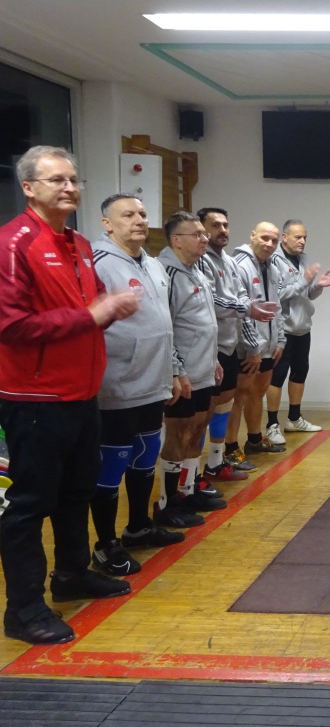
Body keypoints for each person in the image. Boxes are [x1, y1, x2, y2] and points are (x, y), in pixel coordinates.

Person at [0, 146, 140, 645]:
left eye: (74, 180)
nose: (69, 188)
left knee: (76, 491)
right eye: (56, 179)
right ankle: (23, 610)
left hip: (82, 393)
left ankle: (72, 574)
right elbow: (11, 326)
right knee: (30, 504)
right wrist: (91, 315)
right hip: (35, 398)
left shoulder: (78, 243)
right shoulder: (12, 243)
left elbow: (87, 311)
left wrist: (110, 309)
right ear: (29, 188)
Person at [90, 194, 185, 577]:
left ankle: (139, 526)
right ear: (107, 224)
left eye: (143, 214)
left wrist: (174, 370)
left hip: (154, 382)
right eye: (127, 214)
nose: (139, 220)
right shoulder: (97, 262)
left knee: (146, 458)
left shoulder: (153, 263)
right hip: (117, 386)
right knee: (112, 466)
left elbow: (165, 324)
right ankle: (105, 545)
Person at [155, 211, 225, 529]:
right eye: (196, 234)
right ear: (176, 240)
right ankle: (167, 502)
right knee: (178, 434)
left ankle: (188, 488)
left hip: (204, 367)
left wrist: (215, 359)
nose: (204, 239)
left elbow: (205, 323)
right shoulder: (167, 273)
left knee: (197, 429)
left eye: (203, 233)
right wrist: (175, 370)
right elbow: (165, 327)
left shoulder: (196, 269)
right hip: (183, 372)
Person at [197, 207, 275, 478]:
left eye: (225, 225)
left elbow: (243, 299)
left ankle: (216, 463)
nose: (222, 230)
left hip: (229, 345)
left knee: (224, 406)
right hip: (208, 349)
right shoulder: (200, 261)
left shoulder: (228, 261)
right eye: (215, 225)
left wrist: (254, 343)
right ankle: (192, 476)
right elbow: (213, 301)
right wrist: (245, 309)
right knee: (203, 414)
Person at [265, 219, 330, 442]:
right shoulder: (273, 260)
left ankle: (294, 419)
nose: (302, 241)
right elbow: (276, 295)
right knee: (277, 377)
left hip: (302, 327)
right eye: (298, 237)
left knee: (300, 372)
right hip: (282, 329)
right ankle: (272, 424)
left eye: (305, 237)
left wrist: (317, 286)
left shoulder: (303, 259)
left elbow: (306, 294)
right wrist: (304, 282)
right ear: (284, 237)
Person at [225, 222, 286, 458]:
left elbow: (276, 306)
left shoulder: (272, 267)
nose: (269, 244)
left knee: (257, 393)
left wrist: (280, 340)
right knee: (238, 397)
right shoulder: (239, 265)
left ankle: (254, 439)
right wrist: (253, 348)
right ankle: (230, 448)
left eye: (274, 240)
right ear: (252, 236)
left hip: (268, 345)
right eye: (264, 238)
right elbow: (241, 310)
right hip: (248, 348)